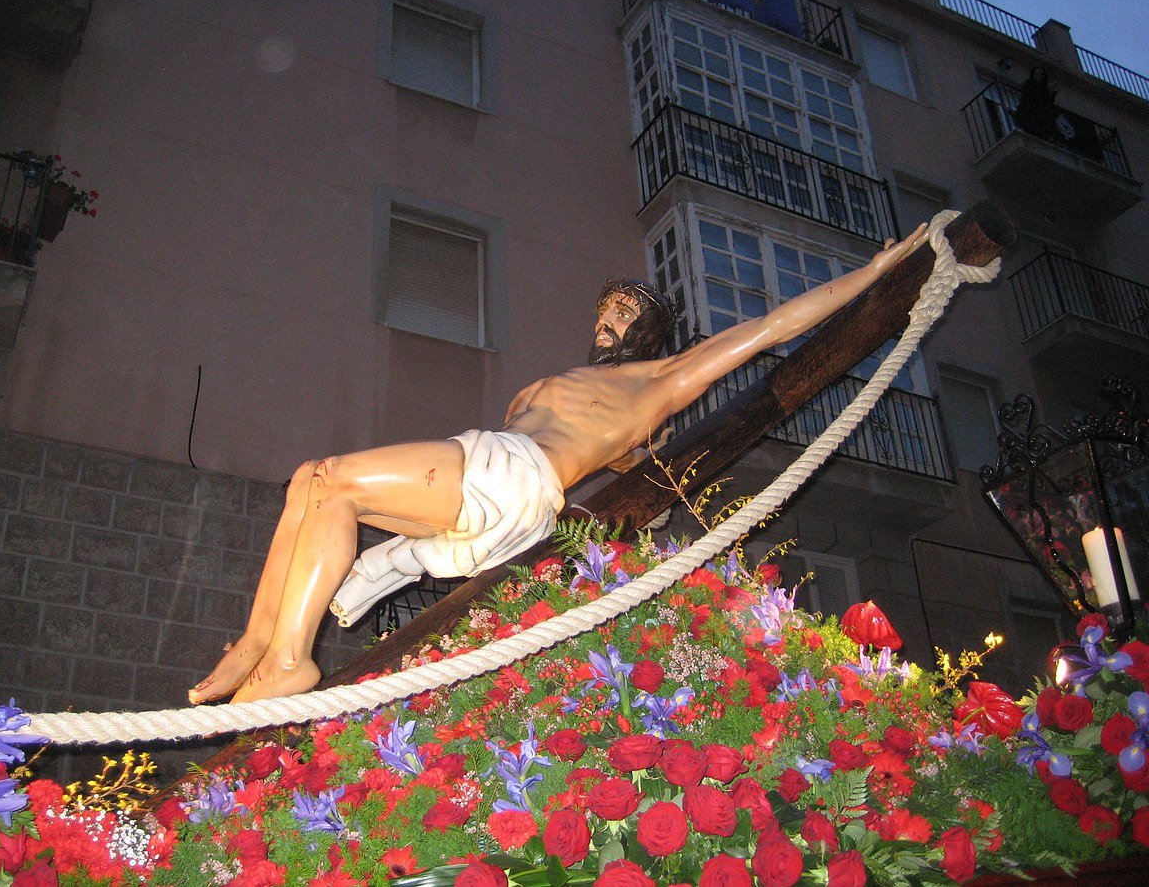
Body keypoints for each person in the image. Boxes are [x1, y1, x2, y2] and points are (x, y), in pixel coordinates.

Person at [189, 224, 928, 704]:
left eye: (625, 315)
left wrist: (875, 271)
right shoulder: (568, 386)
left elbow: (770, 329)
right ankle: (262, 644)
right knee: (312, 486)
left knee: (332, 476)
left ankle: (284, 654)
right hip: (494, 499)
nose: (608, 322)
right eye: (605, 309)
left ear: (651, 337)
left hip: (514, 476)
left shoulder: (658, 381)